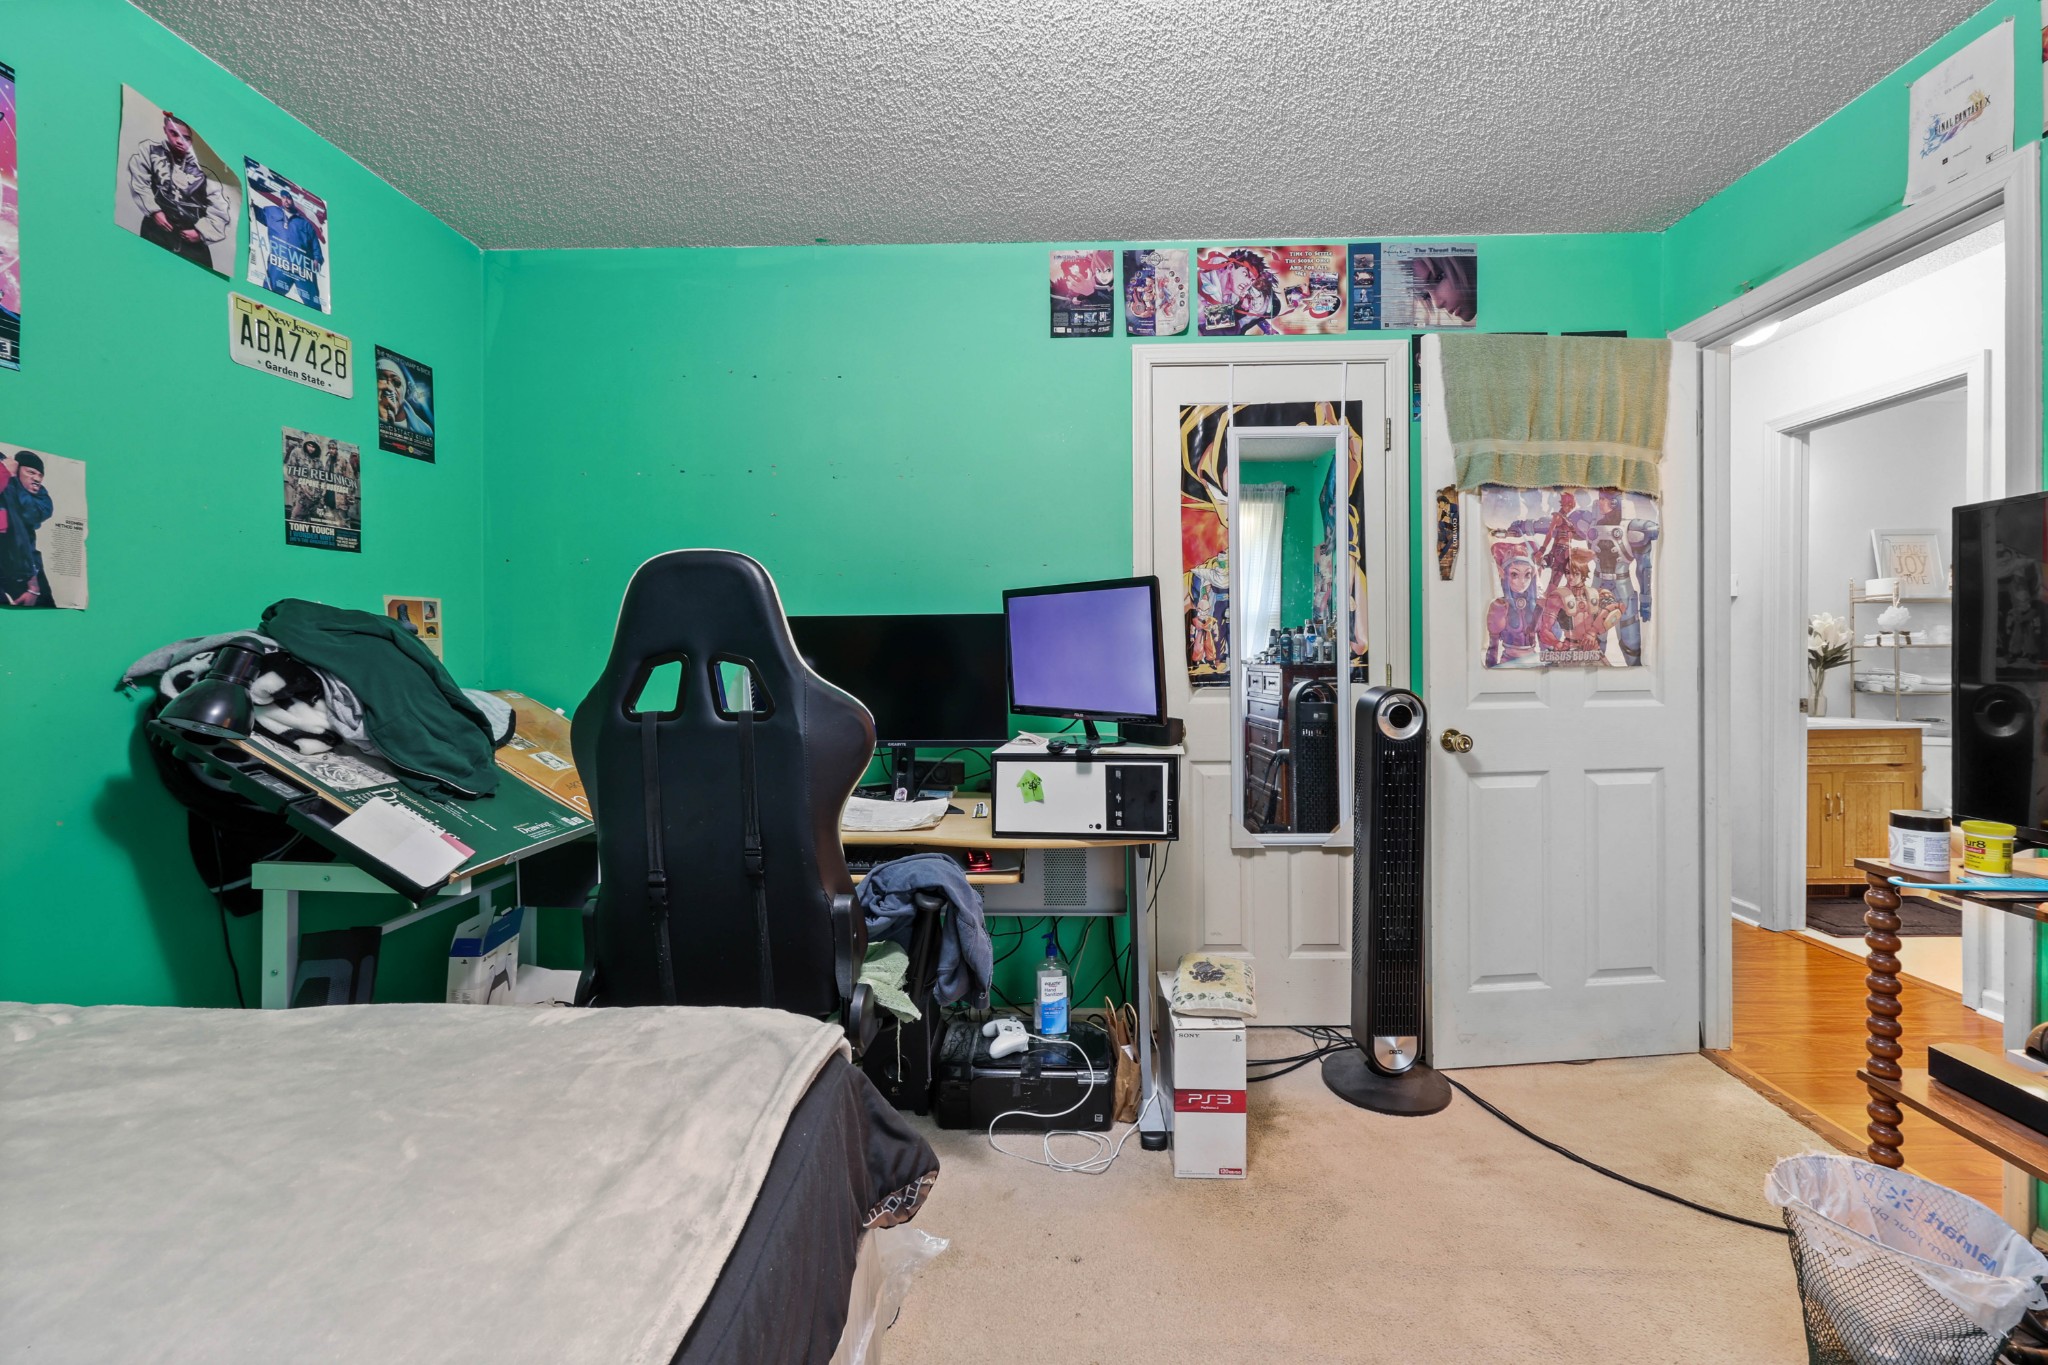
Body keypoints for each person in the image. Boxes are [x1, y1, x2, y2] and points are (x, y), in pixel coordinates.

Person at [128, 110, 232, 270]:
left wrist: (200, 233)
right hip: (155, 232)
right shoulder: (150, 151)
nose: (179, 141)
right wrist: (154, 211)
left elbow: (220, 209)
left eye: (186, 138)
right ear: (165, 130)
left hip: (192, 242)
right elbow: (139, 181)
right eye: (174, 134)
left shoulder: (206, 172)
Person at [249, 179, 326, 309]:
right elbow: (257, 214)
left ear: (294, 200)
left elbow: (315, 246)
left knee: (313, 304)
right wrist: (251, 205)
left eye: (289, 198)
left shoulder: (305, 224)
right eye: (284, 197)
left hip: (302, 269)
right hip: (279, 264)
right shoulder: (271, 211)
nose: (286, 200)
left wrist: (317, 259)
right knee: (267, 297)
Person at [0, 449, 55, 607]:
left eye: (40, 475)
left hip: (31, 565)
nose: (37, 479)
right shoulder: (7, 489)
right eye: (31, 472)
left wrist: (34, 586)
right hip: (14, 568)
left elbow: (33, 514)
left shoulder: (41, 495)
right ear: (17, 471)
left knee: (46, 608)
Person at [376, 355, 434, 436]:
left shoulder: (425, 430)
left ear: (404, 390)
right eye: (382, 379)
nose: (389, 387)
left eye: (396, 382)